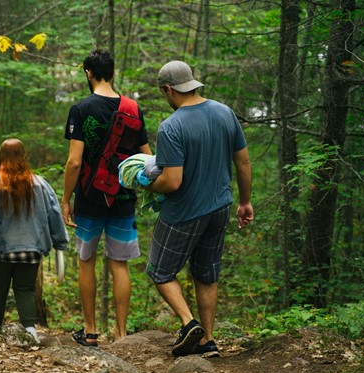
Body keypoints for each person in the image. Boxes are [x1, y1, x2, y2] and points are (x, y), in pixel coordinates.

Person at [148, 60, 254, 357]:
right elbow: (243, 163)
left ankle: (188, 323)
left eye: (162, 92)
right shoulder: (225, 113)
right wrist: (245, 201)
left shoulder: (171, 127)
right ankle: (208, 340)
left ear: (168, 89)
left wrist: (146, 185)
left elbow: (171, 181)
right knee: (206, 273)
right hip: (219, 207)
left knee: (159, 269)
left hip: (183, 213)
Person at [61, 49, 152, 347]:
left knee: (86, 260)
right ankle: (121, 334)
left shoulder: (80, 108)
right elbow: (146, 159)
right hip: (123, 198)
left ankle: (90, 331)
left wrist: (66, 199)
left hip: (89, 197)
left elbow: (74, 162)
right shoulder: (133, 108)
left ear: (88, 73)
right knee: (120, 264)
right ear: (113, 73)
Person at [0, 138, 69, 343]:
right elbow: (54, 213)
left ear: (0, 157)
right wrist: (59, 242)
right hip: (32, 248)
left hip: (0, 251)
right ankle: (30, 332)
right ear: (24, 156)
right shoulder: (40, 183)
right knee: (25, 290)